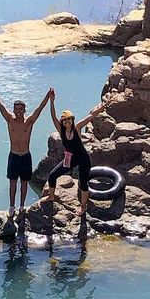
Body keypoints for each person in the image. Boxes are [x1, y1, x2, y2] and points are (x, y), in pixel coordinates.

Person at [0, 83, 54, 215]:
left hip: (25, 156)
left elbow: (39, 109)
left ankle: (22, 206)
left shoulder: (29, 121)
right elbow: (0, 106)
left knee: (24, 183)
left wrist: (48, 96)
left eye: (20, 109)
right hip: (13, 156)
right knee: (12, 183)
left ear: (24, 110)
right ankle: (12, 207)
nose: (18, 111)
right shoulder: (9, 120)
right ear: (13, 109)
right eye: (16, 109)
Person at [40, 91, 102, 234]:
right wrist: (52, 101)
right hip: (70, 158)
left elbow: (91, 117)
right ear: (63, 122)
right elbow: (52, 117)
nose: (67, 122)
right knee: (52, 175)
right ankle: (51, 196)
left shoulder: (77, 127)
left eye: (69, 120)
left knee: (84, 183)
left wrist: (102, 108)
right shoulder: (61, 130)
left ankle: (83, 206)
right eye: (65, 120)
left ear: (72, 120)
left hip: (83, 158)